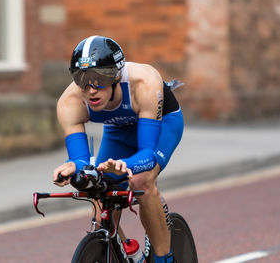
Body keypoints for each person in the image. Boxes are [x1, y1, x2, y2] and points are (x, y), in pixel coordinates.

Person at [52, 35, 184, 263]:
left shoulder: (143, 83)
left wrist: (127, 165)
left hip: (162, 124)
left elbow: (148, 154)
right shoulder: (69, 102)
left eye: (99, 79)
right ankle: (128, 253)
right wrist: (74, 166)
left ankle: (164, 259)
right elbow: (82, 162)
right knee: (97, 188)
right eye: (82, 79)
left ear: (115, 76)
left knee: (140, 181)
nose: (91, 89)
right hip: (117, 130)